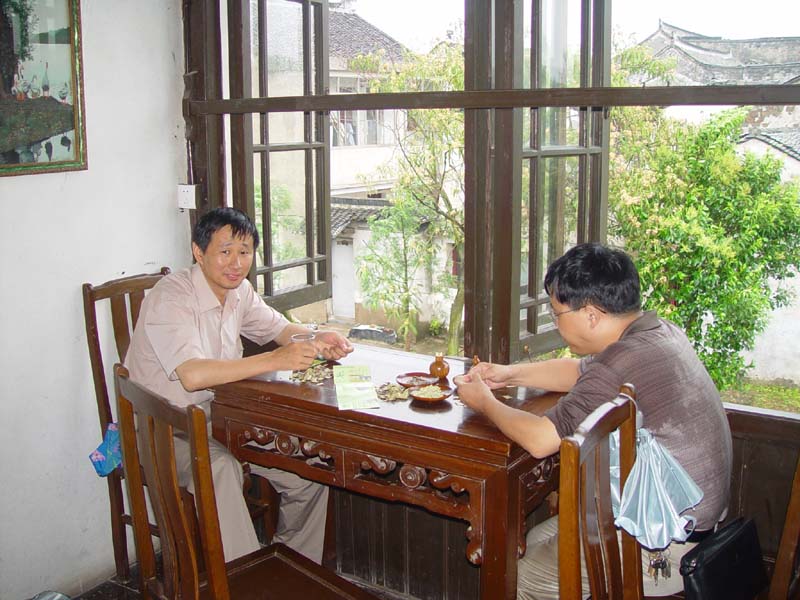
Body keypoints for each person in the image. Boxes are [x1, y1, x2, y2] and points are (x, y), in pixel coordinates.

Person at [454, 243, 732, 599]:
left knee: (513, 579)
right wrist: (508, 374)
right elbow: (578, 372)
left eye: (557, 313)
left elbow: (540, 440)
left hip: (665, 545)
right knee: (531, 540)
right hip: (690, 523)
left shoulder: (622, 359)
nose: (555, 323)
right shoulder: (657, 333)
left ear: (590, 315)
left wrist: (485, 403)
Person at [126, 206, 353, 564]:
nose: (236, 263)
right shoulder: (170, 297)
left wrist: (316, 336)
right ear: (199, 252)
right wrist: (275, 360)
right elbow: (192, 375)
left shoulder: (238, 291)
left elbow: (278, 329)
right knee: (221, 469)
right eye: (225, 251)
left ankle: (289, 568)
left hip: (219, 419)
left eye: (244, 252)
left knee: (308, 472)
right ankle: (243, 580)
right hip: (165, 428)